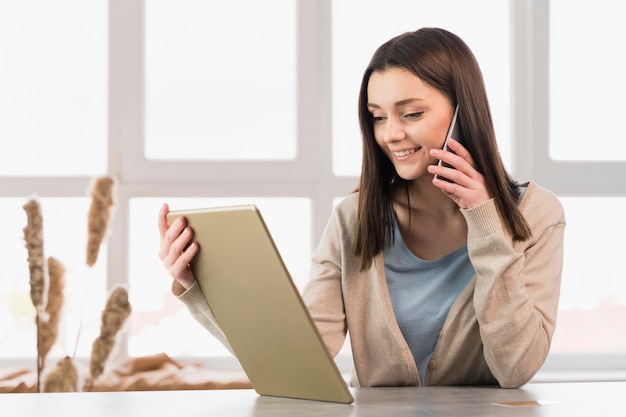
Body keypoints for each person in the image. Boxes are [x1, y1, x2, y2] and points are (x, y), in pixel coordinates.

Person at [158, 27, 565, 388]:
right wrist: (200, 288)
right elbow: (296, 359)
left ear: (464, 111)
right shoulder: (353, 219)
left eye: (412, 114)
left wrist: (486, 223)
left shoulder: (537, 214)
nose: (391, 134)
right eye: (377, 117)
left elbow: (516, 368)